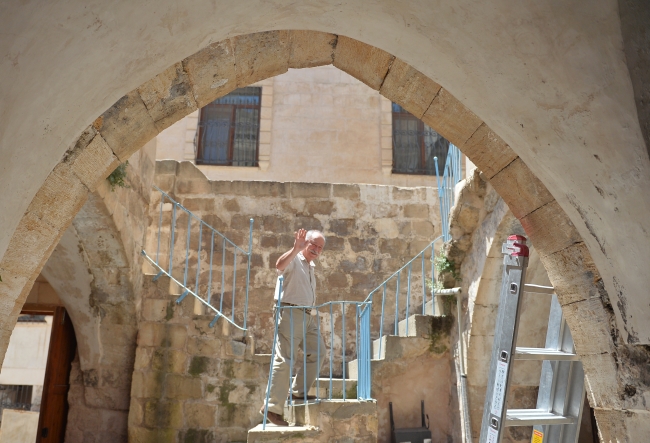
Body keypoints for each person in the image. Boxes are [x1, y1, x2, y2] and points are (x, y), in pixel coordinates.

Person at [261, 228, 327, 426]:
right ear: (305, 242)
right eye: (313, 244)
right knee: (285, 358)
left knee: (318, 351)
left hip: (307, 316)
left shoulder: (310, 266)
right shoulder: (295, 259)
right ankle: (271, 408)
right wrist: (295, 248)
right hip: (290, 312)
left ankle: (298, 393)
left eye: (320, 247)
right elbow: (279, 265)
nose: (316, 249)